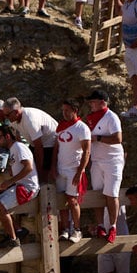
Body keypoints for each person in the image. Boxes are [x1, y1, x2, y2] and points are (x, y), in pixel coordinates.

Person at [85, 89, 124, 242]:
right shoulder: (91, 118)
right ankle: (101, 225)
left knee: (111, 193)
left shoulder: (111, 117)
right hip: (97, 160)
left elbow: (118, 138)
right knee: (97, 193)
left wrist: (99, 138)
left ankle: (112, 226)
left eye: (93, 102)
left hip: (112, 160)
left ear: (102, 102)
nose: (90, 105)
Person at [0, 125, 39, 248]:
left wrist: (9, 182)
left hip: (27, 188)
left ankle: (13, 238)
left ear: (7, 136)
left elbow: (28, 167)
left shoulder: (18, 147)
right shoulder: (13, 149)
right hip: (21, 185)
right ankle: (17, 231)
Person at [52, 99, 90, 243]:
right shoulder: (61, 126)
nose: (64, 113)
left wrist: (80, 172)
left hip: (74, 170)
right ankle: (65, 229)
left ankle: (77, 229)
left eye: (67, 110)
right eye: (63, 110)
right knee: (62, 200)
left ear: (75, 111)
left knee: (72, 200)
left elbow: (87, 151)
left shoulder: (82, 128)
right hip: (61, 169)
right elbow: (56, 148)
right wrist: (53, 167)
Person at [4, 98, 57, 181]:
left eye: (7, 115)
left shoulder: (30, 120)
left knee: (41, 173)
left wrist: (38, 173)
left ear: (16, 112)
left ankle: (43, 184)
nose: (6, 118)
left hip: (50, 141)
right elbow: (18, 140)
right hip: (35, 143)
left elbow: (39, 147)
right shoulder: (13, 118)